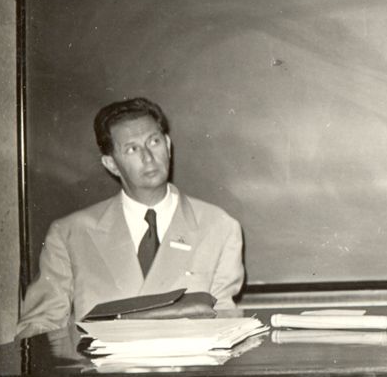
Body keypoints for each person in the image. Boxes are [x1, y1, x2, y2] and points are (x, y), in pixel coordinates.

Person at [16, 97, 245, 338]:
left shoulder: (219, 227)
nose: (148, 157)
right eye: (132, 149)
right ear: (111, 164)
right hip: (101, 374)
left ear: (168, 145)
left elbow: (225, 324)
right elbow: (37, 330)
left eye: (154, 142)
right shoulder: (69, 234)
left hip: (187, 372)